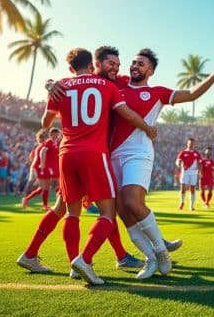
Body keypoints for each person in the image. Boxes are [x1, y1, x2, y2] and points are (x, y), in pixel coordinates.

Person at [20, 48, 158, 286]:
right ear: (95, 64)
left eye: (118, 63)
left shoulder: (63, 85)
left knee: (66, 210)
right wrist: (148, 128)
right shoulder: (107, 86)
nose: (116, 67)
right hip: (94, 153)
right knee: (107, 210)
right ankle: (86, 260)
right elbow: (126, 113)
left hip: (67, 153)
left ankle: (46, 257)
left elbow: (45, 122)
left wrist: (51, 87)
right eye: (111, 63)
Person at [108, 48, 214, 278]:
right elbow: (92, 76)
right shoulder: (118, 84)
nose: (135, 66)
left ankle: (161, 251)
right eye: (133, 62)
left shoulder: (157, 92)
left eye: (141, 64)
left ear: (150, 71)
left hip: (139, 152)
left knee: (132, 202)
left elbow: (192, 94)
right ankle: (150, 257)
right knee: (122, 210)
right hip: (114, 154)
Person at [176, 138, 202, 210]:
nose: (191, 145)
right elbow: (177, 161)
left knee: (192, 189)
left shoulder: (197, 153)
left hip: (194, 172)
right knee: (183, 188)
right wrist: (179, 164)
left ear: (194, 144)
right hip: (185, 172)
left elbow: (200, 163)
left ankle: (191, 206)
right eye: (190, 143)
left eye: (192, 144)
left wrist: (200, 171)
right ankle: (182, 202)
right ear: (187, 144)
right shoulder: (183, 152)